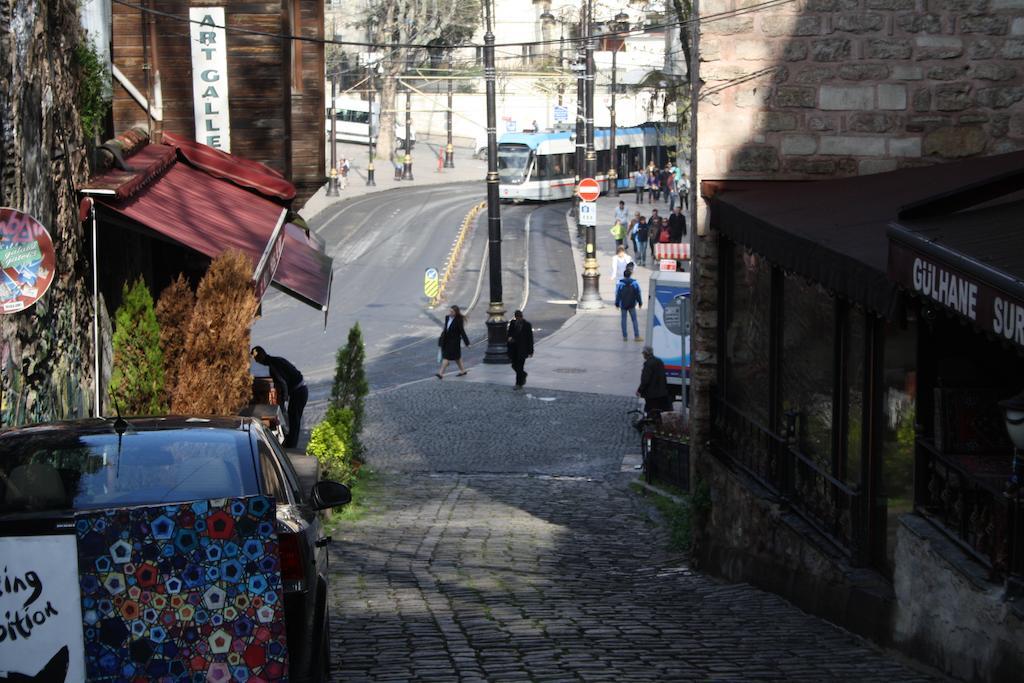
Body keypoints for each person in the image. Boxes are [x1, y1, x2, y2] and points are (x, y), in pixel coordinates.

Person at [251, 346, 308, 449]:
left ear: (261, 357)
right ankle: (291, 444)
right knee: (293, 418)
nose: (257, 361)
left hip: (299, 391)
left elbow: (282, 384)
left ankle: (291, 447)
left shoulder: (273, 366)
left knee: (294, 418)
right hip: (300, 390)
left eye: (257, 359)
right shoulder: (275, 360)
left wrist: (282, 404)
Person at [437, 305, 471, 378]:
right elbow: (445, 330)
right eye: (450, 311)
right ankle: (463, 370)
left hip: (454, 342)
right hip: (446, 341)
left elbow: (462, 332)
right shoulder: (447, 317)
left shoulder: (459, 320)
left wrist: (467, 343)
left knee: (446, 357)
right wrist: (441, 340)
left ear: (456, 312)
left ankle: (440, 373)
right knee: (457, 358)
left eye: (452, 311)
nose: (450, 312)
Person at [637, 346, 671, 417]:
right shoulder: (659, 361)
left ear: (646, 354)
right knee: (660, 412)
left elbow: (645, 380)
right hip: (662, 393)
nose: (643, 355)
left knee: (650, 411)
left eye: (643, 353)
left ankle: (652, 425)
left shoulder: (648, 364)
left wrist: (639, 390)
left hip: (651, 395)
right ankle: (659, 425)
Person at [506, 309, 534, 390]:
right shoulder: (512, 323)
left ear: (521, 317)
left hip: (522, 350)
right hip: (513, 349)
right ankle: (523, 375)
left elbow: (530, 338)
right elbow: (509, 334)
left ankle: (518, 383)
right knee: (514, 365)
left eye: (519, 317)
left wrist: (531, 351)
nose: (518, 319)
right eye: (516, 317)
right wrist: (509, 338)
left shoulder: (527, 325)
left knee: (520, 366)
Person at [615, 267, 643, 342]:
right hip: (632, 304)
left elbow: (618, 294)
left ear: (624, 275)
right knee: (634, 320)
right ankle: (636, 336)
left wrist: (617, 304)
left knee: (623, 320)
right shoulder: (634, 283)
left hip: (623, 304)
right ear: (630, 275)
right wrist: (640, 302)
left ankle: (625, 336)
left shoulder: (620, 283)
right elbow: (638, 293)